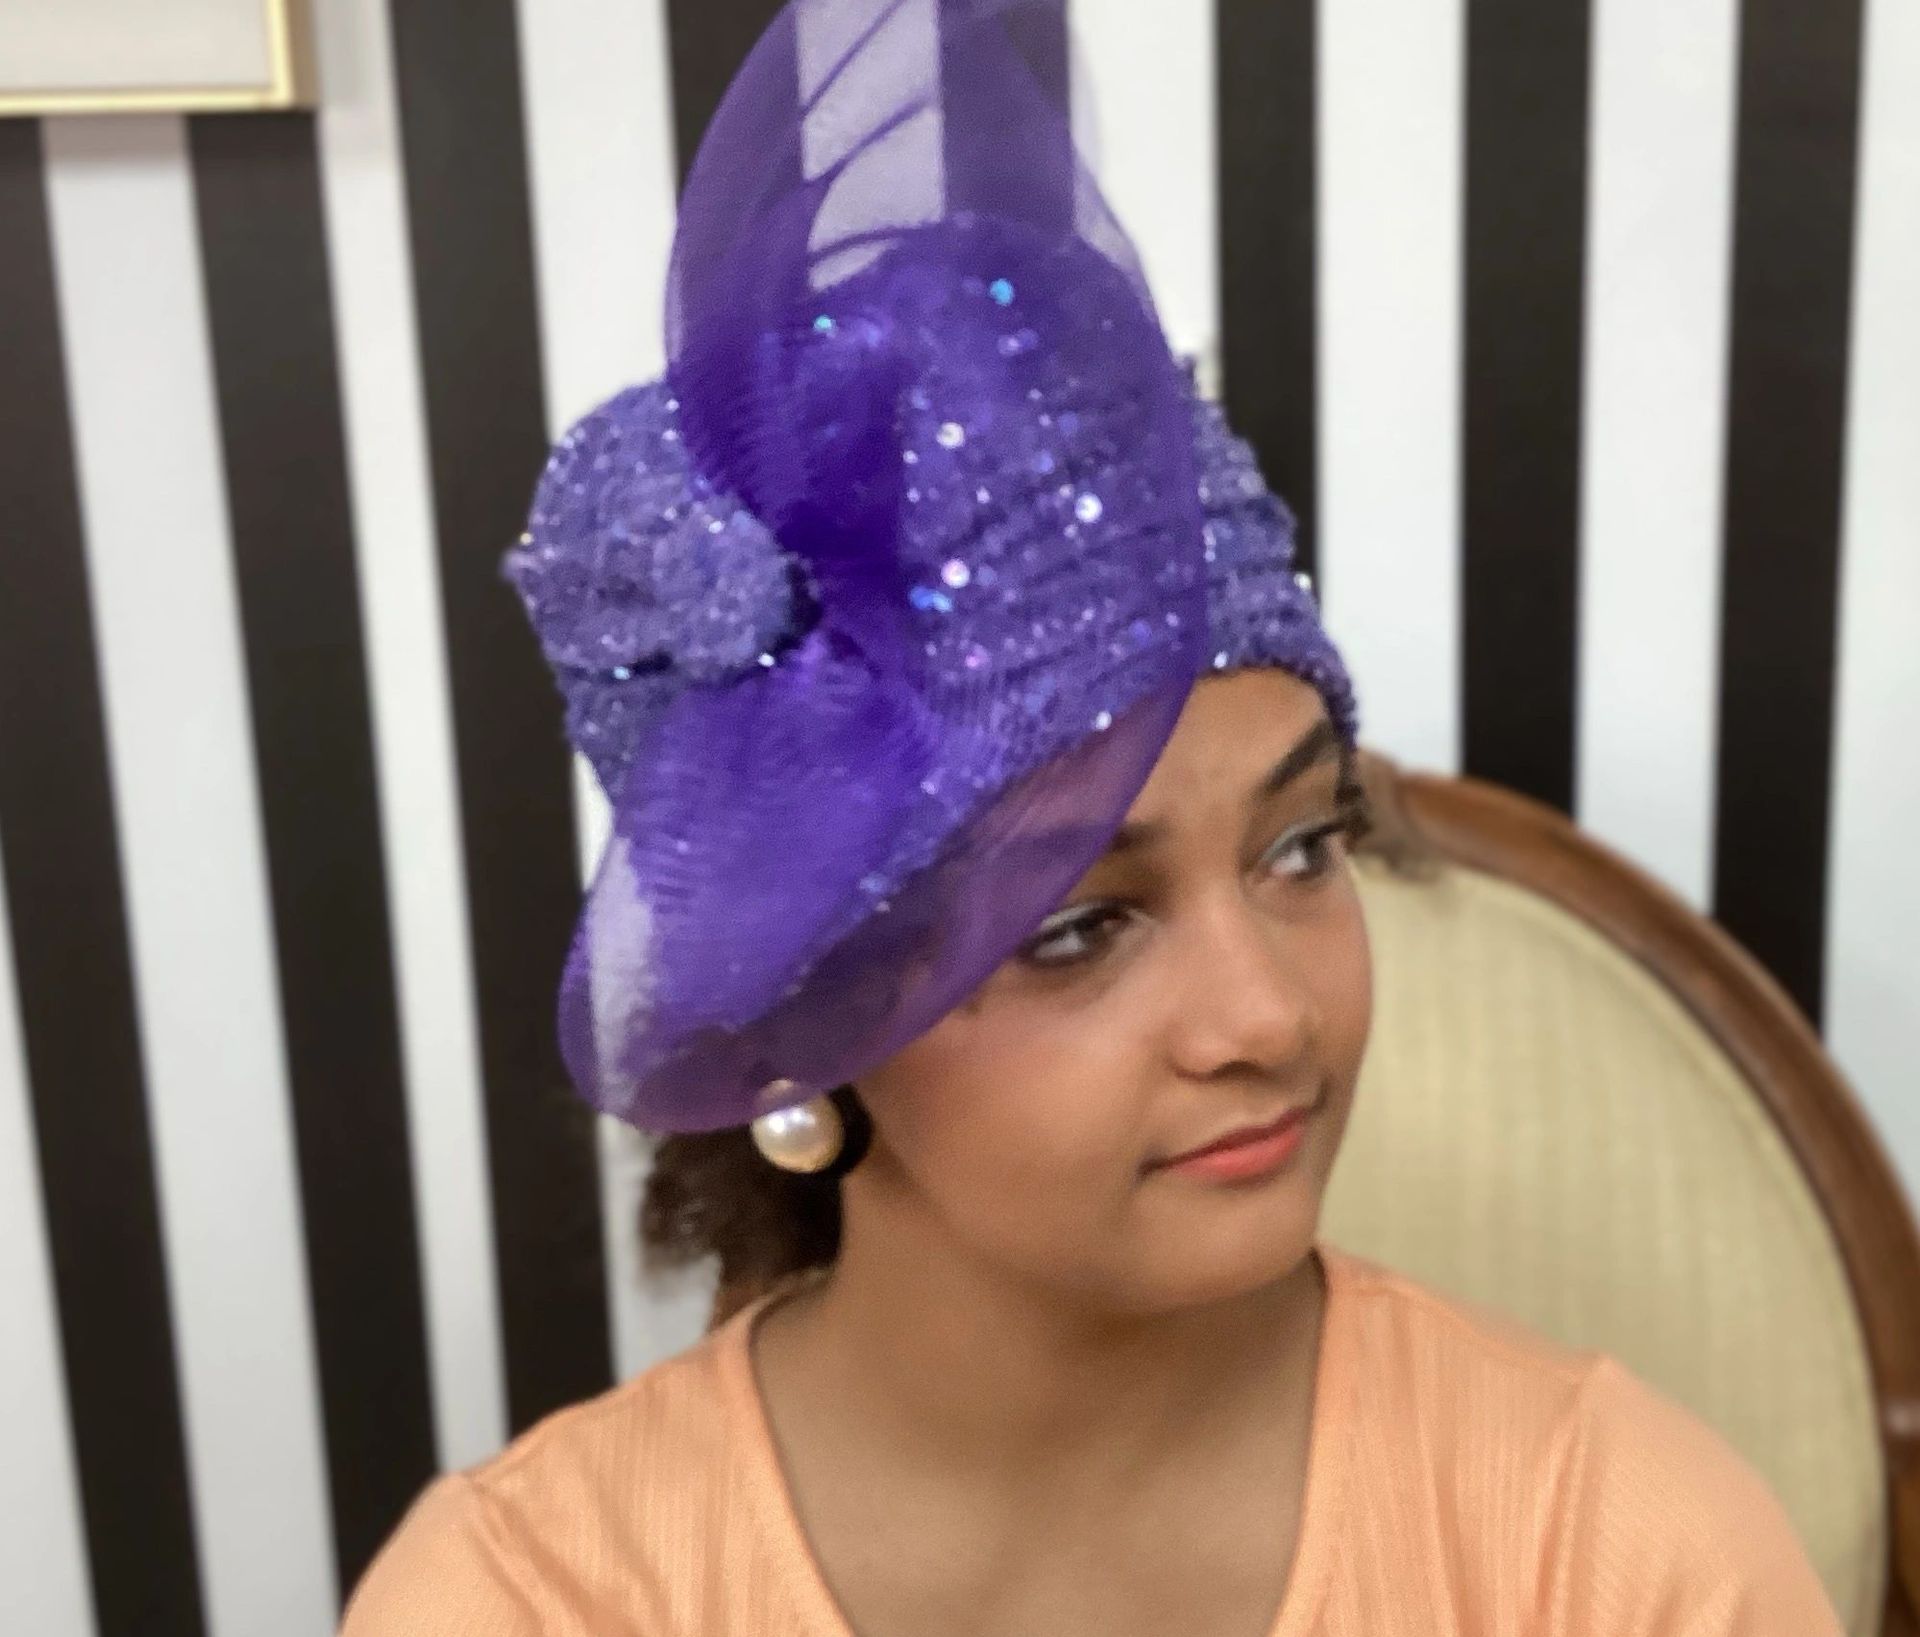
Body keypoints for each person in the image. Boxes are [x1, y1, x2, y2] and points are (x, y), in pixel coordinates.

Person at [342, 2, 1844, 1631]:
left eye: (1300, 846)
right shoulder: (526, 1600)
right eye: (1076, 925)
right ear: (806, 1008)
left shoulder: (1616, 1554)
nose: (1268, 1014)